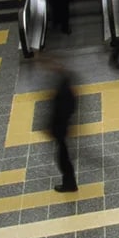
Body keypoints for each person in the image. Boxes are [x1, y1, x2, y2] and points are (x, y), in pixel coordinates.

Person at [46, 61, 78, 192]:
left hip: (60, 128)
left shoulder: (63, 91)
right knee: (63, 155)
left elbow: (60, 111)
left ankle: (69, 184)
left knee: (63, 158)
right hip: (62, 127)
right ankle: (69, 182)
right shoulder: (66, 88)